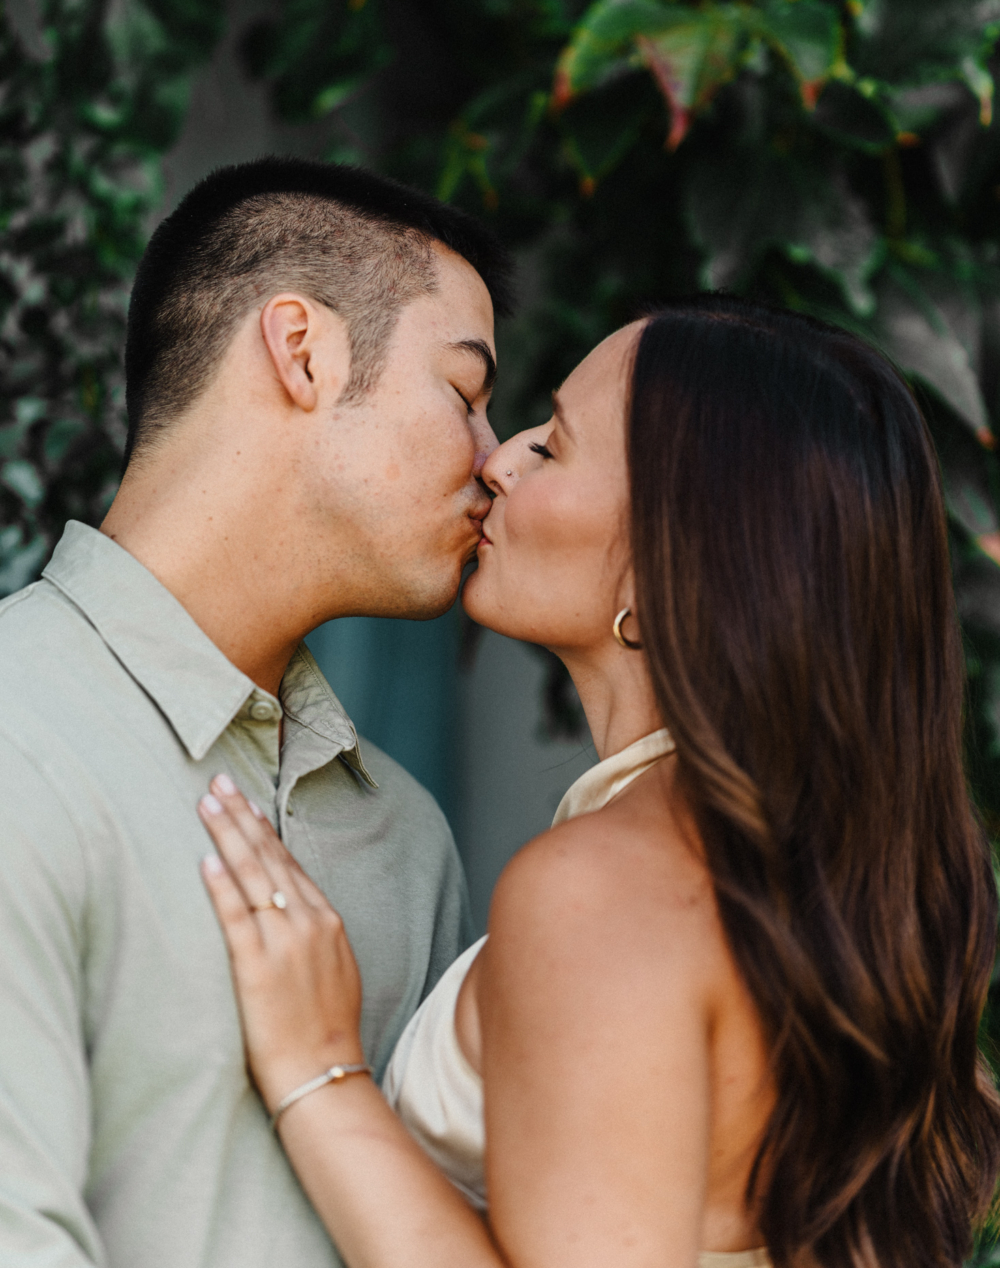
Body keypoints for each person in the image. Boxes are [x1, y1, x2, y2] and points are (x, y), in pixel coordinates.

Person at [199, 297, 1000, 1268]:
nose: (496, 458)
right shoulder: (821, 889)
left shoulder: (605, 890)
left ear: (666, 568)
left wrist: (317, 1072)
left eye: (551, 447)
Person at [0, 156, 514, 1267]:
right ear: (302, 350)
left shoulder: (407, 840)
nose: (495, 464)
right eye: (466, 395)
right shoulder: (16, 739)